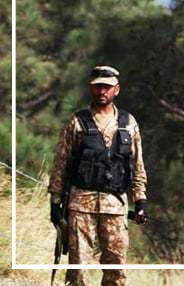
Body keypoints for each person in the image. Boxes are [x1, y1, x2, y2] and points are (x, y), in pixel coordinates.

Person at [48, 65, 147, 286]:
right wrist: (55, 200)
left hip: (115, 205)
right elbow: (61, 163)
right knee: (78, 269)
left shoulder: (128, 124)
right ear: (91, 89)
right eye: (97, 87)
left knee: (116, 267)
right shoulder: (77, 121)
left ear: (116, 90)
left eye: (107, 87)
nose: (102, 91)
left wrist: (140, 199)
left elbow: (137, 164)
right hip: (80, 203)